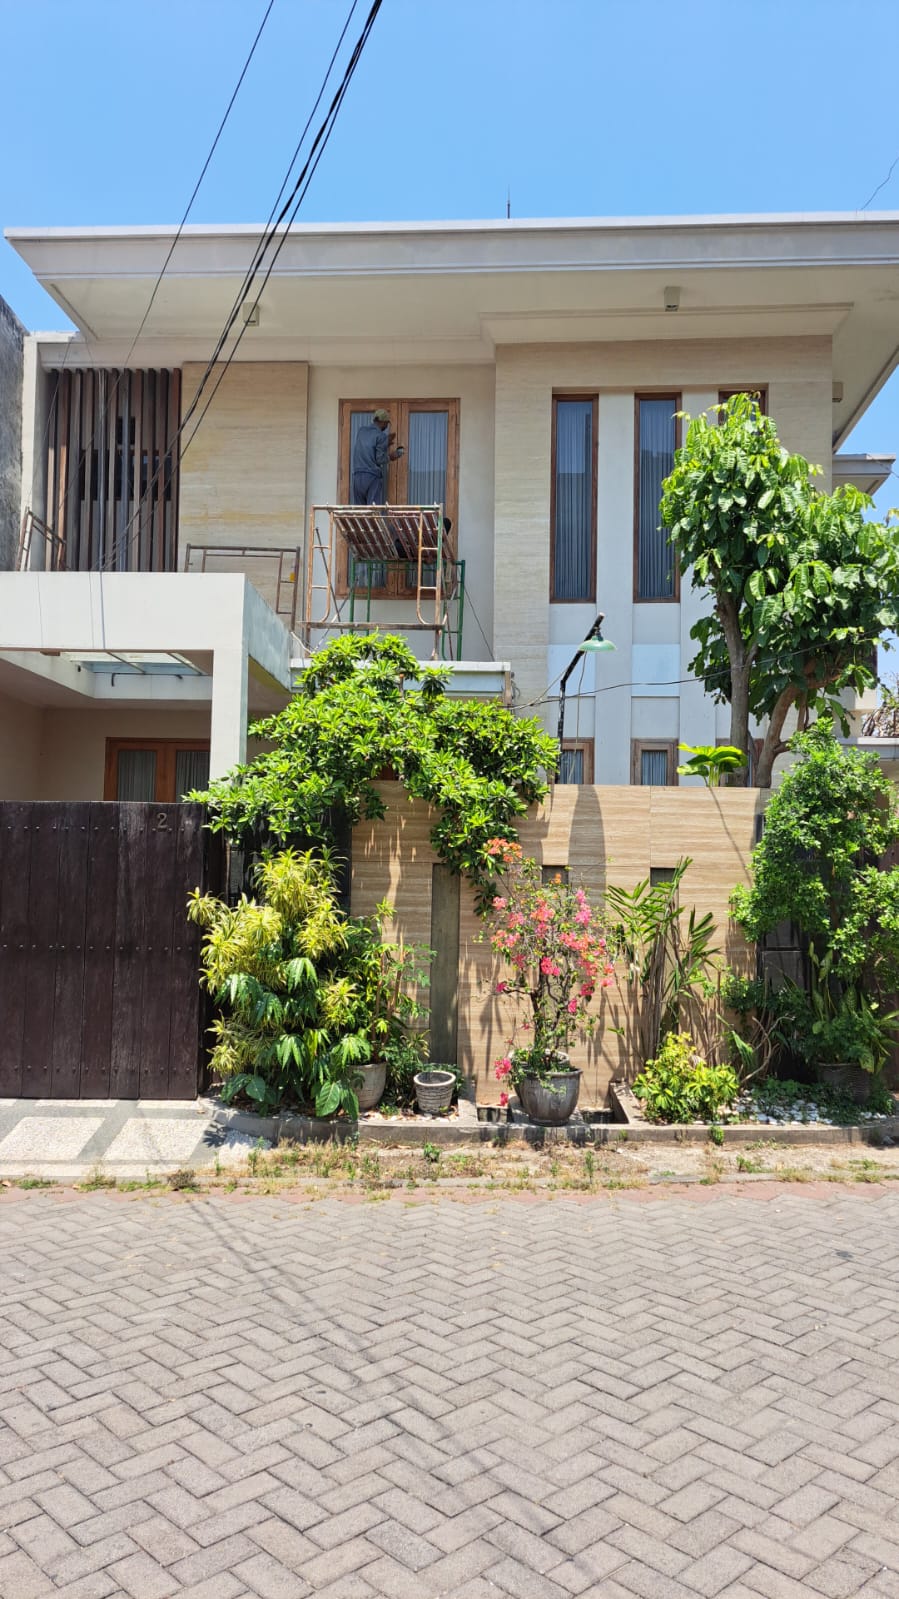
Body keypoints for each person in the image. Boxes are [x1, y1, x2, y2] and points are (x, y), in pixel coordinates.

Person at [351, 409, 404, 504]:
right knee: (373, 511)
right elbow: (379, 459)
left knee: (360, 513)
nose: (387, 426)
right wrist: (391, 456)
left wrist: (385, 443)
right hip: (372, 477)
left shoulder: (361, 431)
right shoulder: (381, 436)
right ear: (383, 422)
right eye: (387, 423)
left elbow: (368, 447)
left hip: (357, 477)